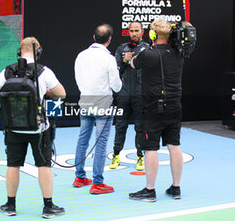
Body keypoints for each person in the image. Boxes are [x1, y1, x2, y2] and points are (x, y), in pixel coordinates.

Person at [0, 37, 66, 218]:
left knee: (13, 165)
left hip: (13, 127)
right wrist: (46, 92)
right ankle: (48, 206)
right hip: (38, 128)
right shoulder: (44, 71)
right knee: (44, 165)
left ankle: (10, 205)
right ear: (38, 52)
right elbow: (61, 93)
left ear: (19, 52)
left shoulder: (7, 71)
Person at [128, 19, 184, 202]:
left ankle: (150, 190)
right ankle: (176, 188)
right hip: (175, 106)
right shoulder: (179, 53)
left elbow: (133, 64)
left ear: (152, 35)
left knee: (150, 148)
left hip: (152, 108)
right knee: (174, 146)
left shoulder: (147, 54)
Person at [73, 24, 122, 194]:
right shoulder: (109, 59)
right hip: (103, 103)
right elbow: (116, 86)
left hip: (85, 100)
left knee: (83, 138)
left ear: (94, 38)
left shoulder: (81, 55)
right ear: (109, 40)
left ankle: (79, 177)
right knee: (100, 143)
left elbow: (78, 80)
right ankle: (98, 183)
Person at [109, 22, 150, 171]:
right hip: (123, 95)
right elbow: (115, 72)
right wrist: (124, 61)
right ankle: (116, 155)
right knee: (120, 126)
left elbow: (152, 72)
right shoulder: (121, 49)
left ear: (142, 31)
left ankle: (140, 156)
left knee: (140, 127)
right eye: (131, 31)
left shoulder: (148, 49)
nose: (134, 33)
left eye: (136, 30)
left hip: (141, 94)